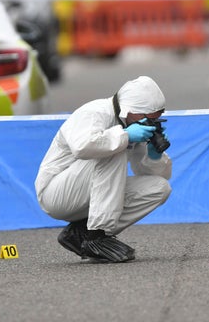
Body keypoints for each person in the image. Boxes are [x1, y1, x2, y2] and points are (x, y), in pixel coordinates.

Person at [35, 75, 172, 263]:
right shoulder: (94, 112)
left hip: (85, 197)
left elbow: (155, 175)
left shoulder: (129, 124)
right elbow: (82, 147)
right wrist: (124, 136)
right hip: (56, 194)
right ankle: (96, 237)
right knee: (113, 150)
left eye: (156, 119)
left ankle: (81, 233)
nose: (150, 124)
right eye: (147, 119)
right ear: (129, 110)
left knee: (159, 188)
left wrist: (154, 155)